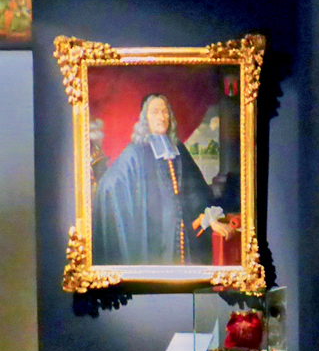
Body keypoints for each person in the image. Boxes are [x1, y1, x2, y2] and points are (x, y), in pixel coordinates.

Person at [92, 94, 232, 265]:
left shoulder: (178, 149)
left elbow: (197, 192)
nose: (162, 117)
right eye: (155, 112)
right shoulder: (136, 151)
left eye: (165, 112)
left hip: (185, 238)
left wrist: (210, 218)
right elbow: (110, 184)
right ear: (145, 119)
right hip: (156, 240)